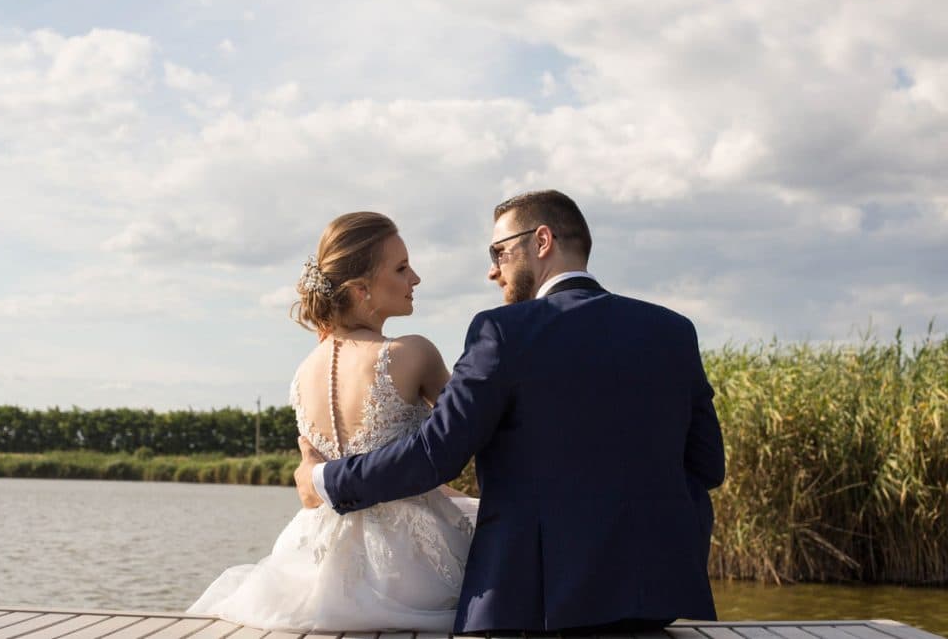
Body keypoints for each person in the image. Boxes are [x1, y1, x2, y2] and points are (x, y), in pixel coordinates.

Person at [294, 190, 725, 634]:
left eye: (498, 252)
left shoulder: (502, 332)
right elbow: (708, 466)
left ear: (542, 241)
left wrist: (325, 478)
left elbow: (435, 453)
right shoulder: (673, 331)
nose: (492, 270)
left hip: (534, 602)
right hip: (657, 595)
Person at [187, 211, 478, 632]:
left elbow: (323, 480)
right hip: (407, 562)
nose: (415, 279)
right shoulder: (413, 353)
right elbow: (462, 436)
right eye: (401, 268)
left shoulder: (302, 373)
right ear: (361, 289)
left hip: (313, 557)